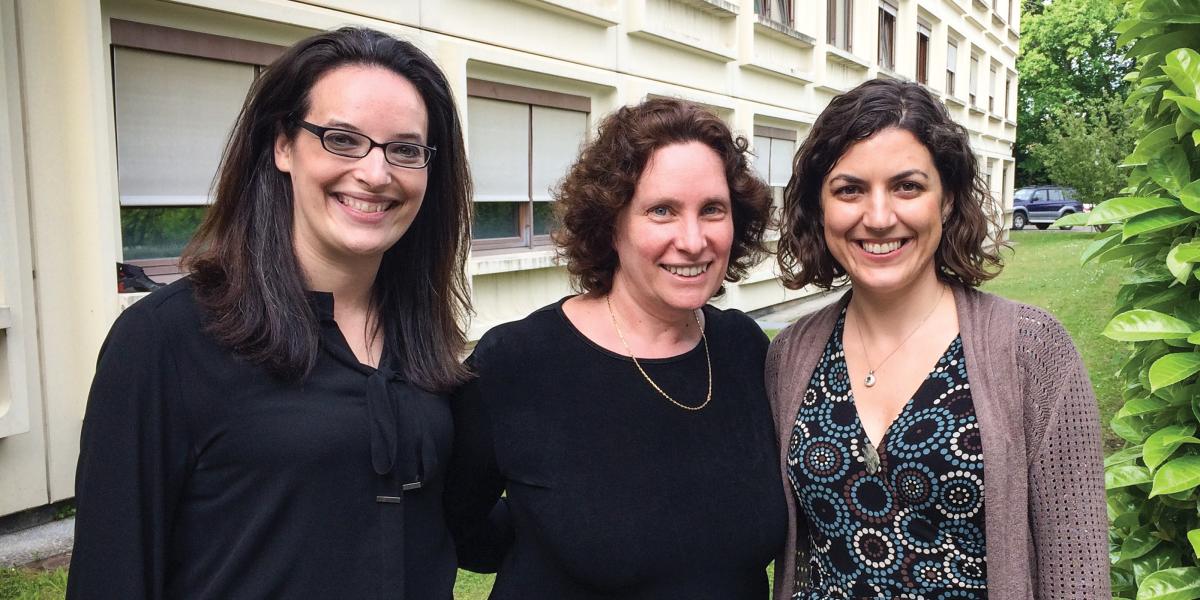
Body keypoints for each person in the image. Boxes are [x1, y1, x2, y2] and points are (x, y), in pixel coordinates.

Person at [67, 27, 471, 599]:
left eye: (405, 149)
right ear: (283, 145)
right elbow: (113, 572)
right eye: (342, 139)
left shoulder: (425, 338)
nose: (376, 174)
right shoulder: (168, 339)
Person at [767, 78, 1109, 599]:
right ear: (819, 207)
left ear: (946, 201)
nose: (879, 218)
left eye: (907, 186)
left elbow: (1076, 566)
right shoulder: (788, 357)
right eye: (849, 189)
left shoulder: (1033, 351)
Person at [444, 98, 786, 598]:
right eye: (662, 210)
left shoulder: (744, 348)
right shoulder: (518, 362)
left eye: (712, 209)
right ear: (611, 223)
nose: (692, 240)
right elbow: (454, 523)